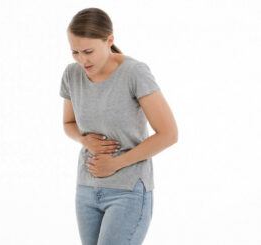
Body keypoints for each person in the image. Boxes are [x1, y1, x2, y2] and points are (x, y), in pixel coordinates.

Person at [59, 7, 178, 245]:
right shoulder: (72, 74)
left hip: (128, 190)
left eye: (88, 51)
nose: (82, 60)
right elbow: (68, 123)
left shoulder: (134, 73)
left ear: (109, 40)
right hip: (87, 188)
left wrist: (116, 163)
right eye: (75, 52)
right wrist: (83, 139)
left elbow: (169, 134)